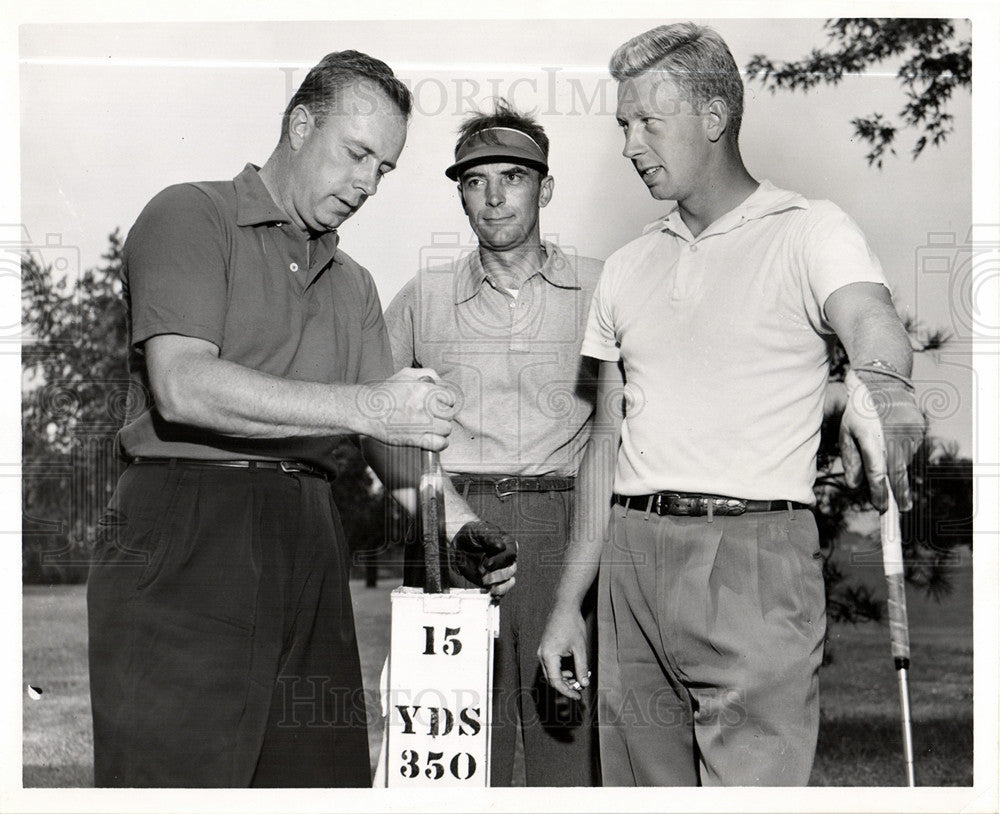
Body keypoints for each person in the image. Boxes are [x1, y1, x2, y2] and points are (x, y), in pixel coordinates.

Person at [87, 50, 514, 789]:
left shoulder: (353, 283)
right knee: (175, 783)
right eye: (355, 154)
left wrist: (456, 526)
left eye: (383, 168)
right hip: (188, 516)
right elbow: (182, 386)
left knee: (317, 783)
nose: (365, 183)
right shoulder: (192, 212)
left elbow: (391, 441)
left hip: (310, 533)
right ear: (299, 123)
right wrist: (370, 404)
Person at [538, 23, 925, 786]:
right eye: (623, 125)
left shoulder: (811, 230)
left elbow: (874, 322)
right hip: (629, 557)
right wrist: (565, 605)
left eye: (648, 121)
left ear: (713, 118)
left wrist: (881, 388)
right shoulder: (625, 267)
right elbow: (603, 445)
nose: (630, 144)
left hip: (753, 557)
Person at [382, 100, 603, 786]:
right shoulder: (422, 296)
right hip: (454, 529)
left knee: (566, 747)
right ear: (460, 192)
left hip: (565, 527)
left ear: (546, 186)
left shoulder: (601, 289)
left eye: (514, 176)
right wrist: (446, 523)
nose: (495, 196)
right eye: (476, 181)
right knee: (447, 762)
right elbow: (377, 429)